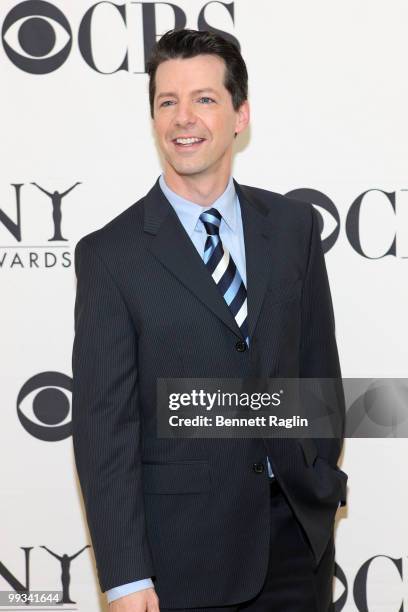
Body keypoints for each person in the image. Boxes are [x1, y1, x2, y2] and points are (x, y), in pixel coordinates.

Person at [72, 28, 347, 612]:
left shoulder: (295, 228)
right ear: (153, 117)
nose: (182, 118)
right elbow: (104, 432)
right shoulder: (111, 256)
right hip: (179, 559)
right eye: (167, 101)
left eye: (203, 98)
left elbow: (318, 372)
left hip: (297, 543)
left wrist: (317, 477)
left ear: (240, 114)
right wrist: (124, 578)